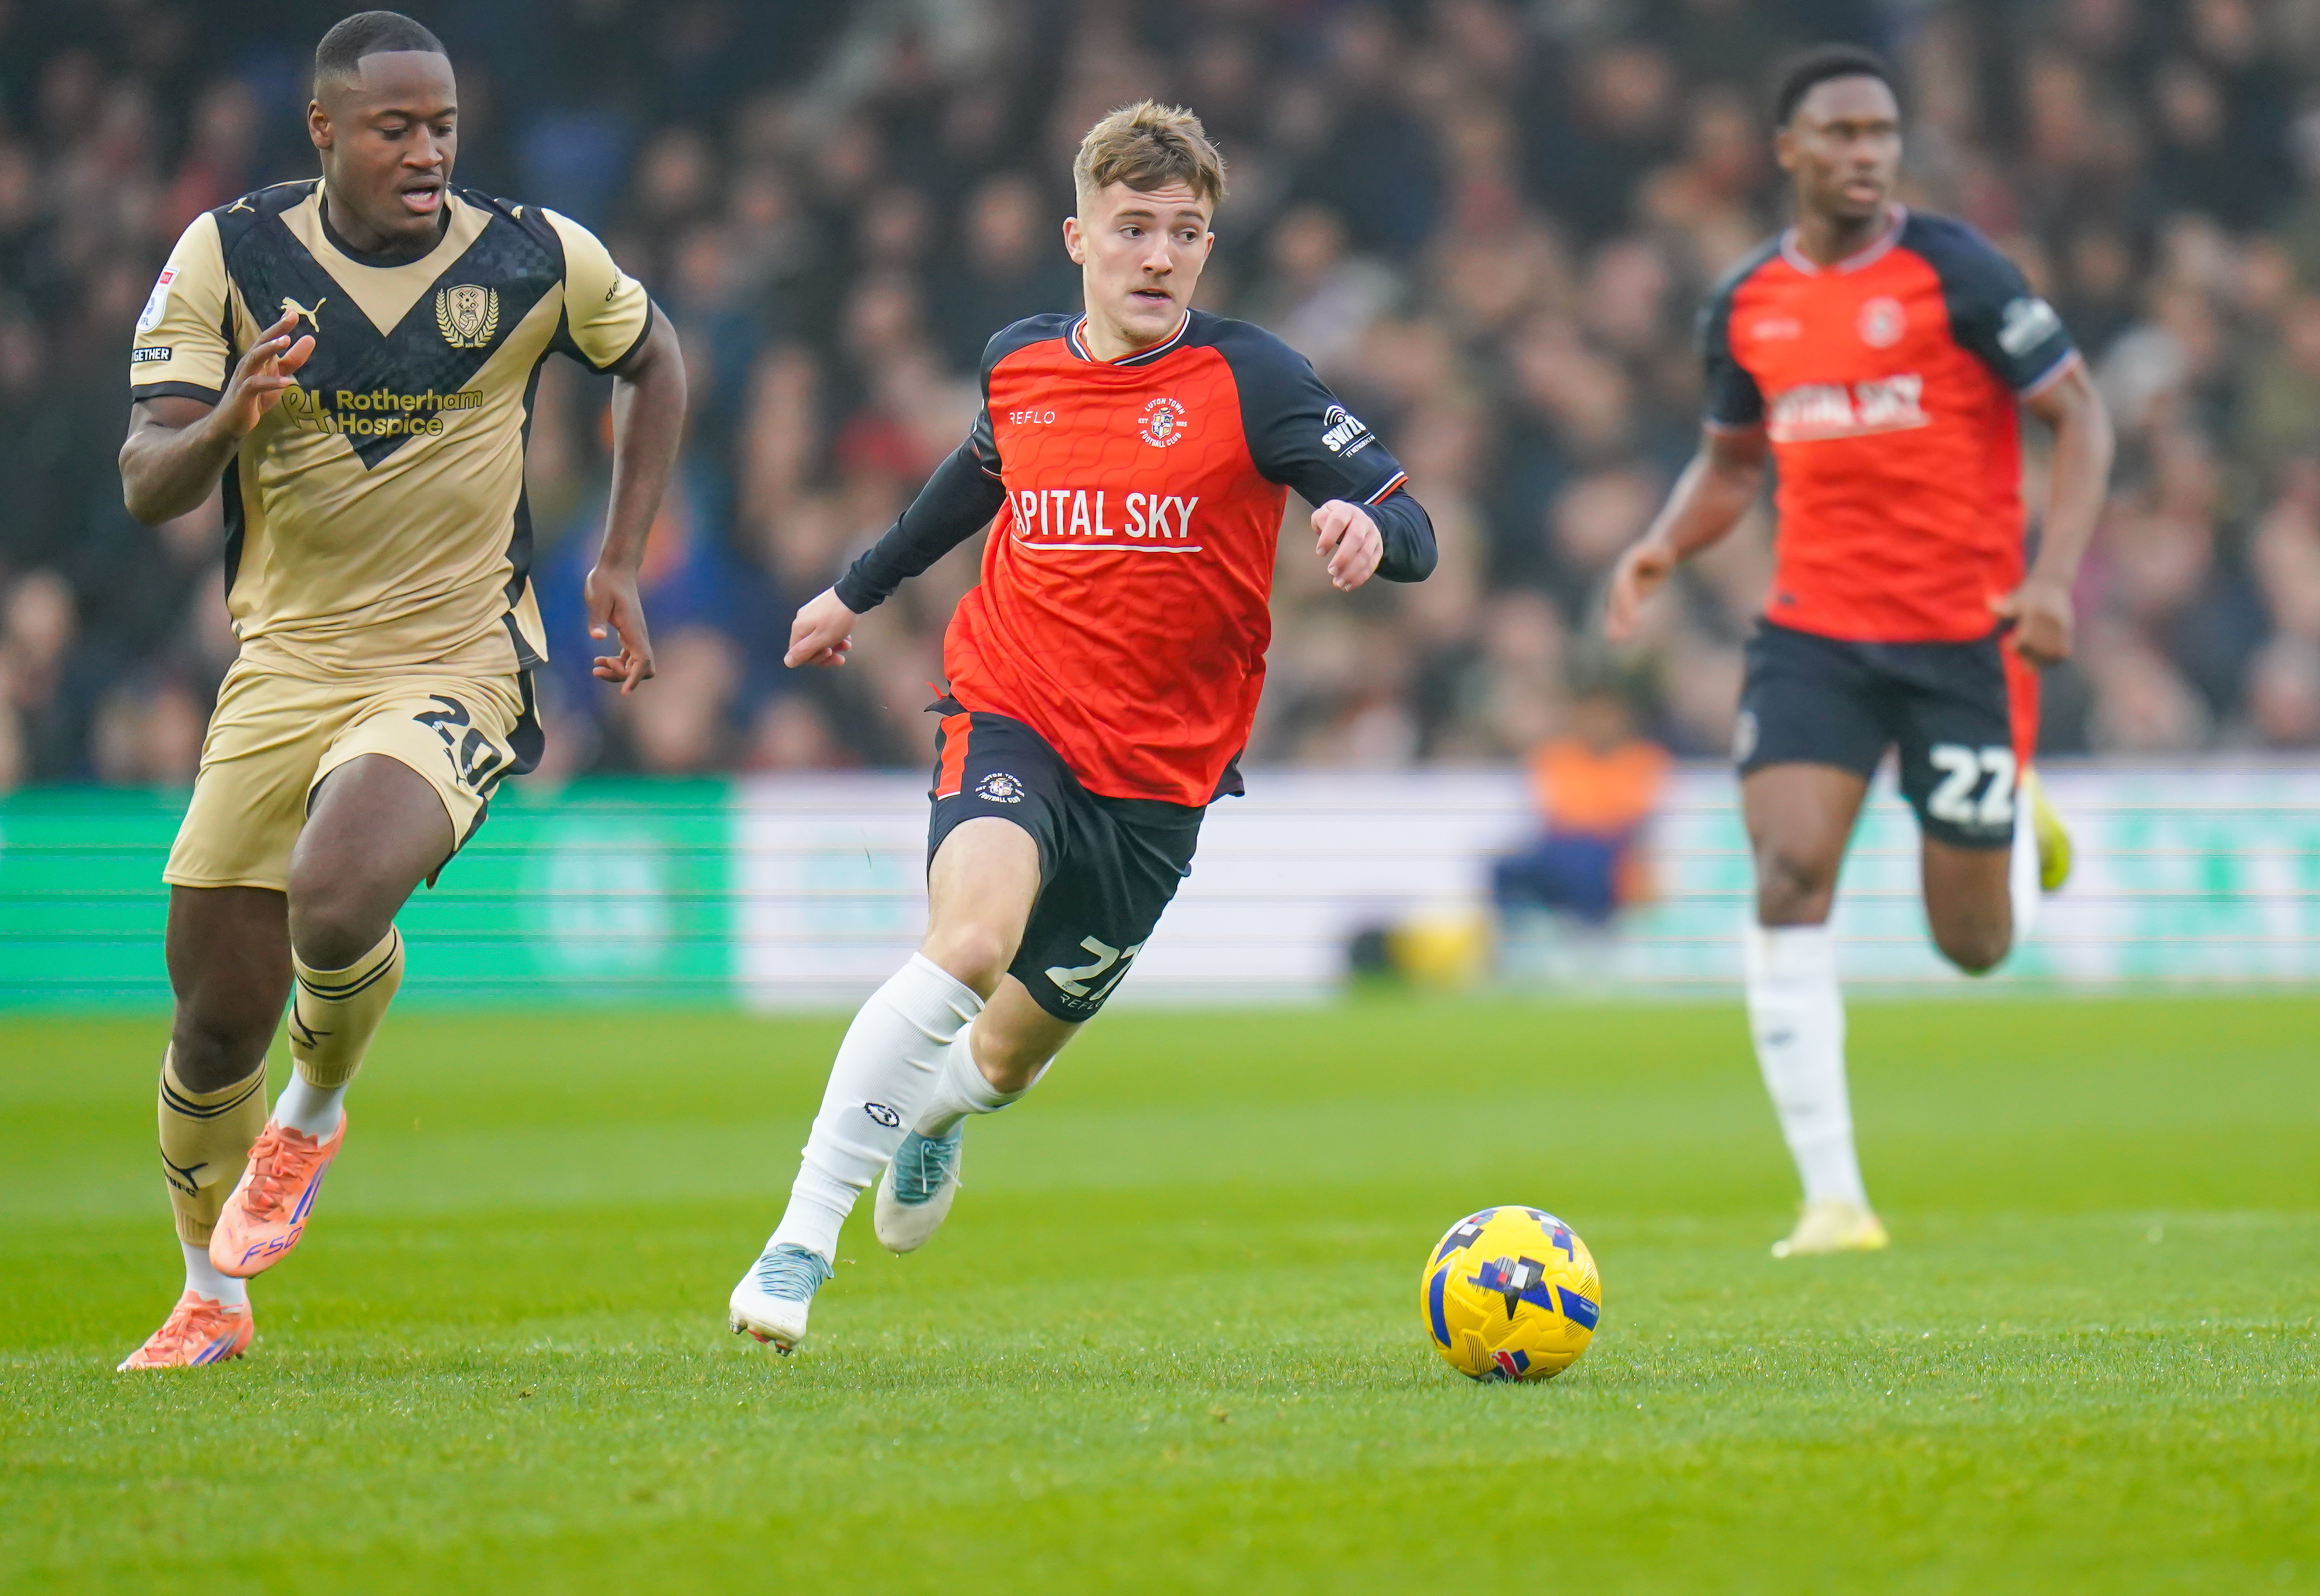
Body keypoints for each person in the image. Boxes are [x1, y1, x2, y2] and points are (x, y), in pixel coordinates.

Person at [729, 101, 1436, 1352]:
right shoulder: (1019, 363)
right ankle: (798, 1237)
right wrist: (855, 590)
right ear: (1077, 238)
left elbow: (1405, 516)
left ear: (1207, 246)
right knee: (966, 940)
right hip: (1011, 712)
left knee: (1000, 1060)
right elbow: (971, 477)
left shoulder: (1253, 377)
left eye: (1184, 232)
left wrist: (1370, 530)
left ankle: (934, 1118)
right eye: (1131, 229)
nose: (1157, 255)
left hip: (1158, 784)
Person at [113, 10, 684, 1368]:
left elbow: (655, 359)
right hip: (282, 668)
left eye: (441, 126)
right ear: (325, 131)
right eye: (394, 128)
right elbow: (145, 481)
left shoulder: (534, 256)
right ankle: (211, 1296)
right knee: (209, 1022)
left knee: (338, 885)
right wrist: (226, 414)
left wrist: (617, 559)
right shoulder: (229, 255)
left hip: (456, 659)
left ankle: (310, 1112)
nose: (426, 151)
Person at [1604, 46, 2113, 1259]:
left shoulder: (1957, 271)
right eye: (1836, 133)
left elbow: (2078, 412)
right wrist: (1662, 546)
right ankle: (1833, 1199)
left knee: (1973, 944)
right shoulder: (1744, 304)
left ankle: (2015, 813)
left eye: (1879, 132)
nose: (1863, 152)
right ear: (1787, 150)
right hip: (1814, 635)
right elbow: (1732, 461)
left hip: (1961, 642)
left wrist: (2048, 579)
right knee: (1786, 871)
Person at [1491, 684, 1670, 927]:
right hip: (1561, 849)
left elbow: (1629, 822)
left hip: (1612, 855)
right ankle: (1516, 940)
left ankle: (1592, 935)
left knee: (1588, 861)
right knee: (1506, 867)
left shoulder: (1643, 760)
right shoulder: (1557, 757)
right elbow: (1555, 815)